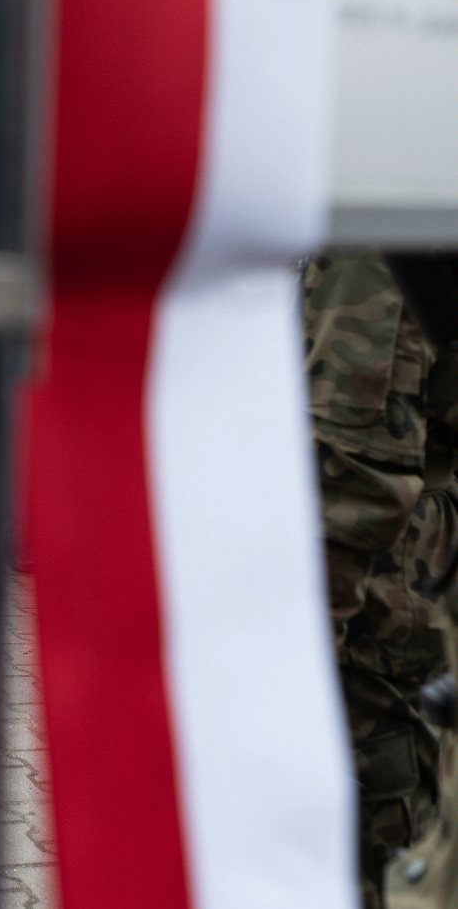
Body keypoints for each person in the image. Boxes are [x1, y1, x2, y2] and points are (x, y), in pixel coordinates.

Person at [303, 253, 458, 909]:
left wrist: (288, 681)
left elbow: (354, 474)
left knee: (370, 852)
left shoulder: (379, 229)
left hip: (373, 612)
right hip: (395, 587)